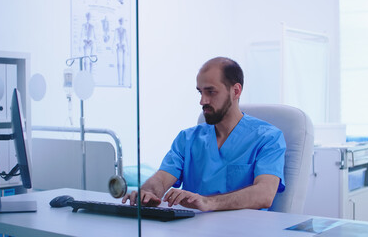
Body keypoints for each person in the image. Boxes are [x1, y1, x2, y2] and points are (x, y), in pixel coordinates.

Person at [122, 57, 286, 211]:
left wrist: (207, 202)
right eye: (200, 92)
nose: (203, 101)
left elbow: (265, 194)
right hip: (193, 229)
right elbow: (162, 178)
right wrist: (148, 192)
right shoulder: (187, 139)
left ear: (236, 91)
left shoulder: (268, 138)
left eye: (211, 92)